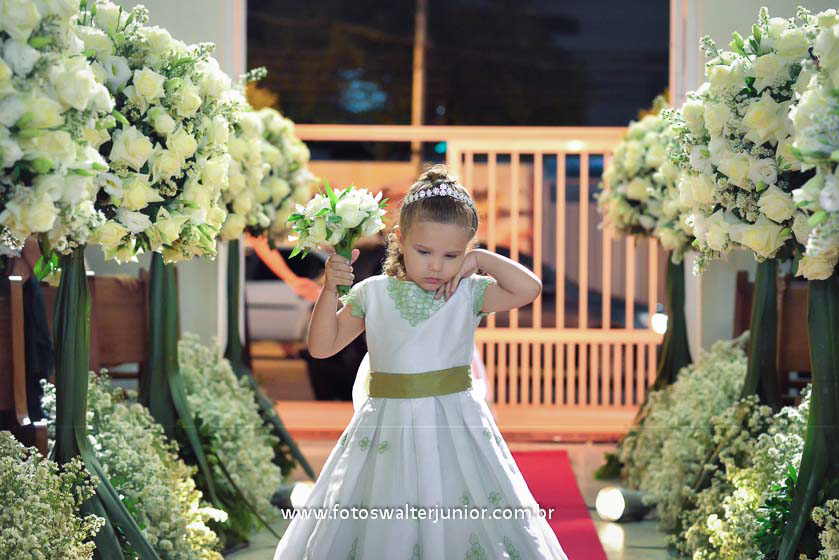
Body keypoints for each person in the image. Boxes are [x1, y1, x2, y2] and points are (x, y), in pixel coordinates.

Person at [273, 164, 568, 559]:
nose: (436, 265)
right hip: (384, 427)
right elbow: (322, 346)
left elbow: (529, 288)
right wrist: (329, 290)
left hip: (456, 424)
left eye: (451, 254)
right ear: (399, 240)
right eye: (424, 251)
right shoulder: (372, 293)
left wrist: (479, 259)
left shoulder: (468, 292)